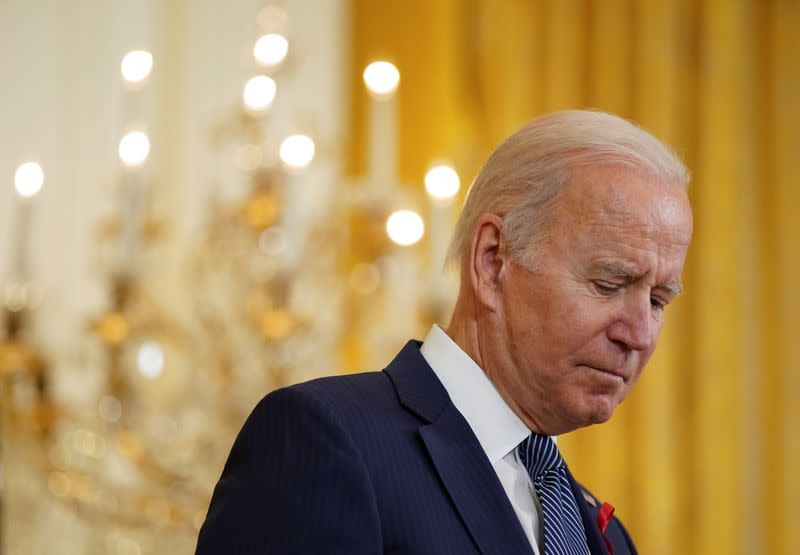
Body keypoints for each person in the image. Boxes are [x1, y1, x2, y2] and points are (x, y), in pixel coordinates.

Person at [195, 110, 693, 555]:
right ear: (493, 262)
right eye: (609, 284)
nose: (639, 335)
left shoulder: (605, 535)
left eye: (657, 301)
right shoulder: (326, 441)